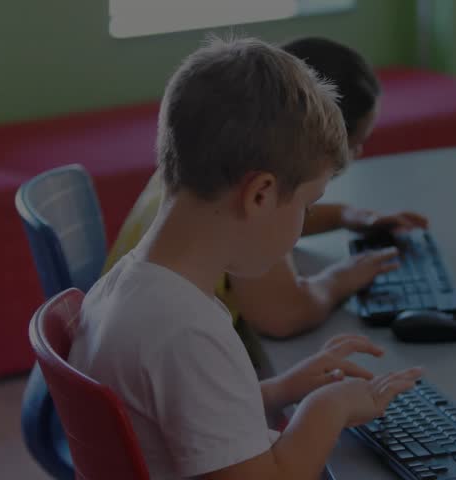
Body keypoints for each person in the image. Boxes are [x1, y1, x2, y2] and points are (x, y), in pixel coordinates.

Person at [68, 37, 422, 479]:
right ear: (260, 194)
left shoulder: (125, 286)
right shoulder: (187, 333)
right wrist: (326, 409)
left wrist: (279, 390)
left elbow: (181, 412)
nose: (301, 223)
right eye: (306, 206)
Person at [102, 37, 429, 354]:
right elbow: (282, 315)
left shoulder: (198, 164)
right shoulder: (195, 338)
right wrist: (345, 277)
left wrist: (347, 216)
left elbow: (276, 204)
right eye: (355, 143)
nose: (356, 154)